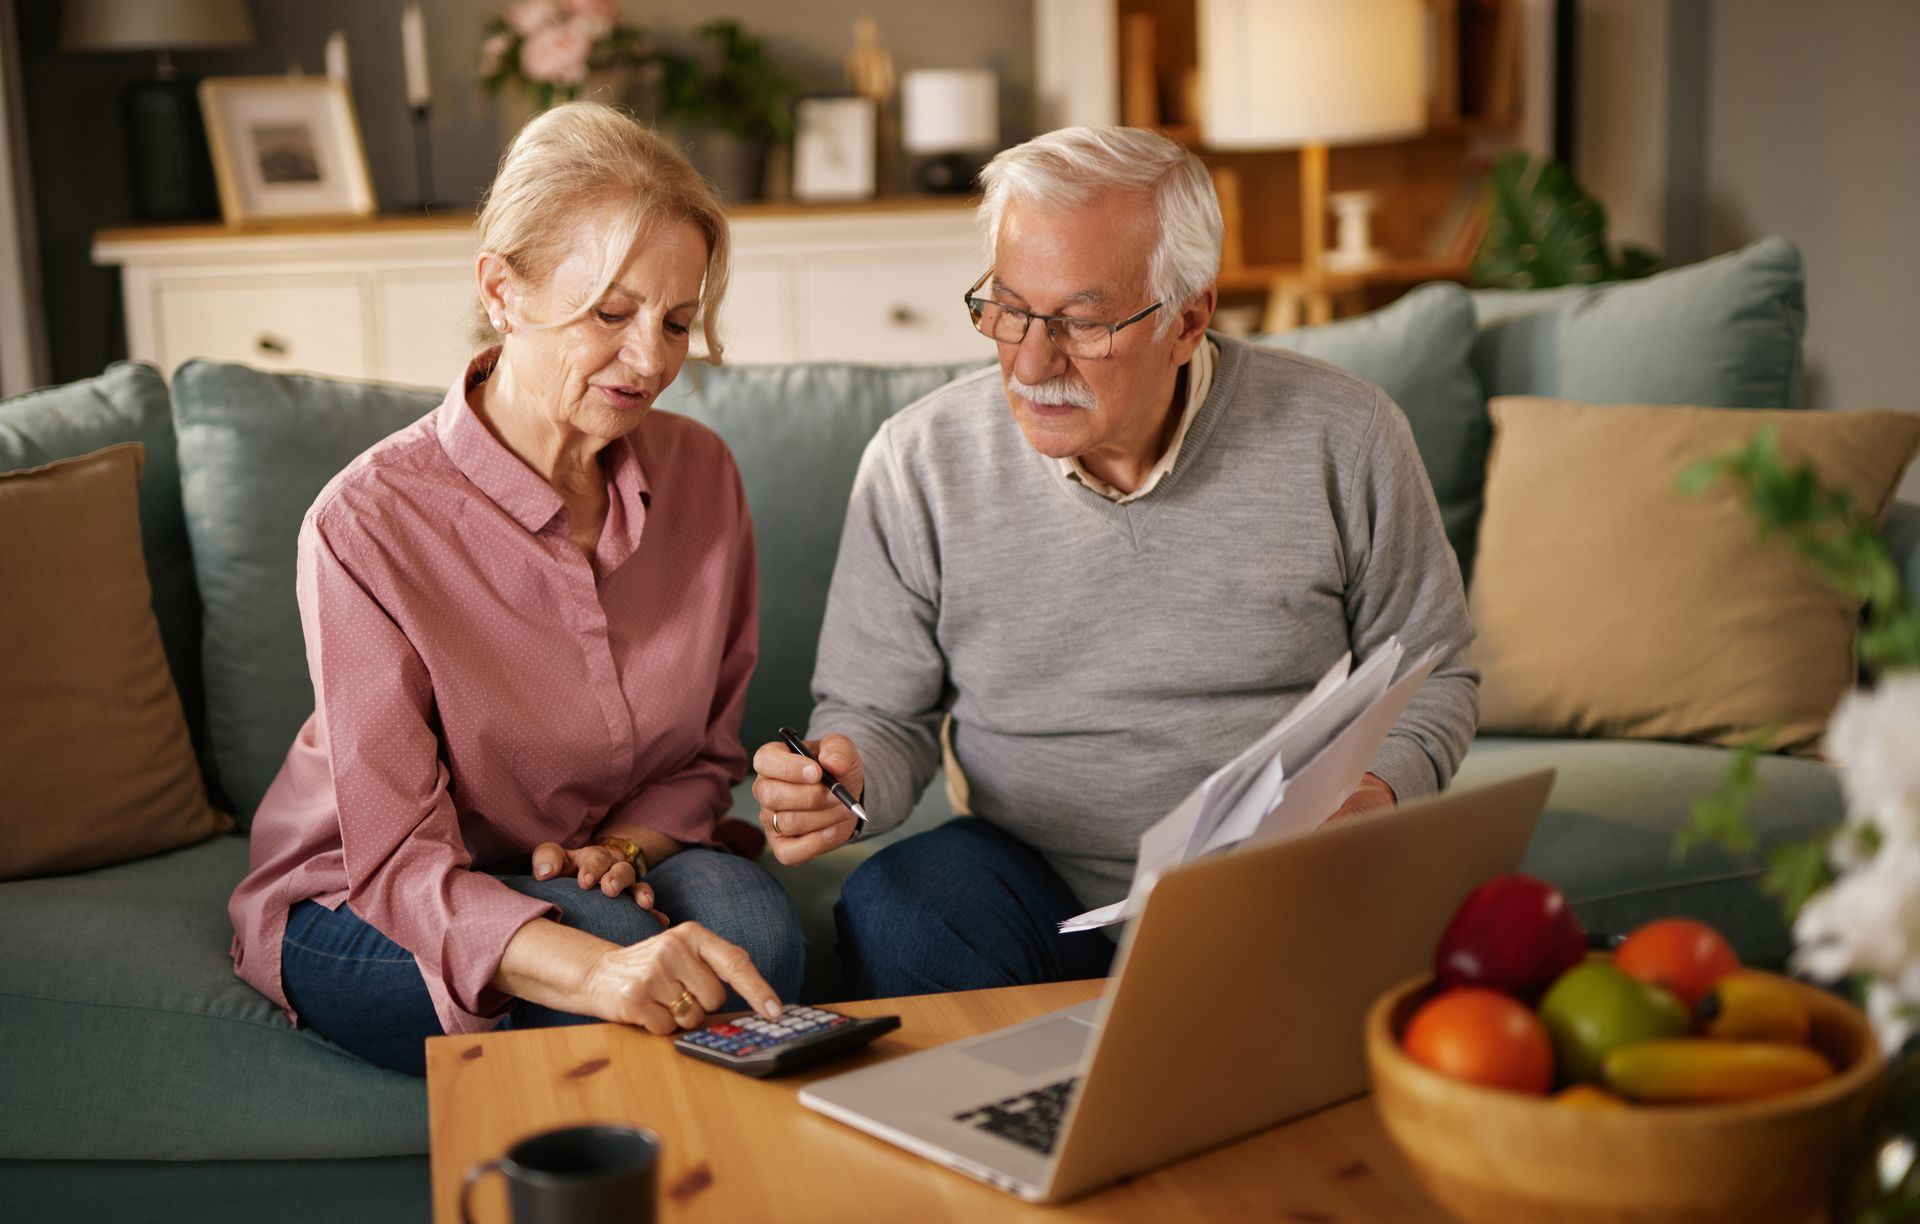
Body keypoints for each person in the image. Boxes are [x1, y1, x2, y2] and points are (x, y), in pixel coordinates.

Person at [750, 125, 1478, 999]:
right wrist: (845, 774)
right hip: (1030, 875)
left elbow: (1436, 673)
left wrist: (1375, 794)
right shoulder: (919, 461)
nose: (1029, 360)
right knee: (901, 908)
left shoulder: (1344, 434)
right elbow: (877, 714)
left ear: (1190, 318)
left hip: (1269, 871)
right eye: (1007, 309)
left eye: (1083, 323)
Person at [229, 103, 804, 1075]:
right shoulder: (368, 521)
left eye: (677, 320)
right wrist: (597, 976)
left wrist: (622, 848)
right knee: (639, 981)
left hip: (593, 850)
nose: (653, 359)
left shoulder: (702, 475)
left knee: (762, 941)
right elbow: (400, 861)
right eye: (611, 314)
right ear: (502, 288)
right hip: (373, 892)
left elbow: (707, 757)